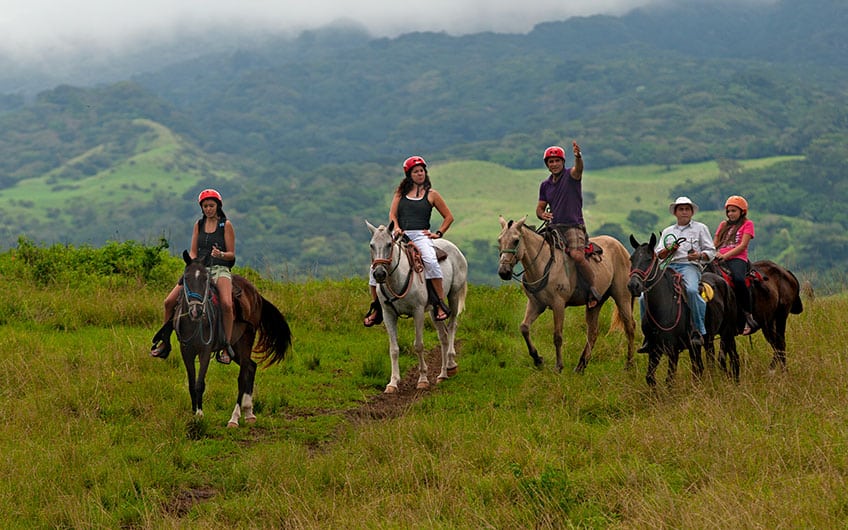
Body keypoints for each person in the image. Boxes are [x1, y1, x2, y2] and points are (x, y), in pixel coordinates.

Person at [364, 155, 454, 326]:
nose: (420, 174)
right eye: (416, 171)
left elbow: (449, 217)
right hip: (400, 234)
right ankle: (377, 307)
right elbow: (392, 215)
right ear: (409, 175)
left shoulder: (432, 195)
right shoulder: (400, 194)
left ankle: (439, 304)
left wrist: (439, 233)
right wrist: (396, 227)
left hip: (421, 235)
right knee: (374, 268)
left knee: (430, 261)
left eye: (422, 171)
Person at [150, 188, 237, 364]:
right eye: (205, 206)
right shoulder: (198, 225)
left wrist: (220, 254)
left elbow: (232, 254)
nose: (208, 209)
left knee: (227, 304)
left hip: (220, 268)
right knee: (169, 301)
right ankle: (165, 342)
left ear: (218, 206)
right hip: (199, 268)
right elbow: (193, 250)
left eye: (211, 205)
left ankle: (225, 347)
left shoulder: (225, 225)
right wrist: (191, 264)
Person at [641, 196, 716, 350]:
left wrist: (699, 256)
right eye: (681, 209)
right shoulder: (668, 231)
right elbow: (658, 254)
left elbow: (711, 251)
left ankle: (697, 329)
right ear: (675, 212)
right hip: (669, 267)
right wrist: (669, 250)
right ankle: (649, 335)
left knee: (691, 290)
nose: (684, 212)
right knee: (643, 297)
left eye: (687, 209)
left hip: (690, 266)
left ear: (692, 212)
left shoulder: (700, 228)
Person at [535, 141, 602, 307]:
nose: (554, 164)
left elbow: (578, 169)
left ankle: (592, 288)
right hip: (554, 227)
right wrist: (542, 214)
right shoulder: (545, 185)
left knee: (577, 256)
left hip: (573, 226)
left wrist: (578, 157)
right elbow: (539, 208)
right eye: (551, 161)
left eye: (557, 160)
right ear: (547, 165)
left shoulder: (571, 176)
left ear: (563, 162)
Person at [714, 195, 758, 335]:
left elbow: (743, 245)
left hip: (737, 258)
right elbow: (715, 243)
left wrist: (725, 256)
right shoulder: (723, 225)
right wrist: (710, 254)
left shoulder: (748, 224)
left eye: (734, 211)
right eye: (729, 211)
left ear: (742, 212)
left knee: (739, 280)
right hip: (718, 257)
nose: (730, 214)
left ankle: (748, 316)